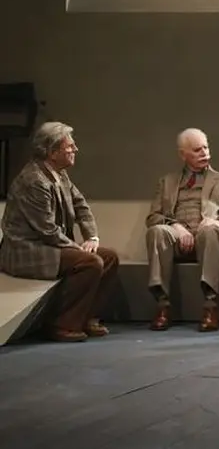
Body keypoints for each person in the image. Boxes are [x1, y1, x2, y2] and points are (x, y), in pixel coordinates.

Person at [0, 122, 119, 342]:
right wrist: (79, 249)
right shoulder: (34, 181)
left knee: (109, 257)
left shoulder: (59, 174)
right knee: (90, 262)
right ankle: (63, 324)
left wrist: (92, 238)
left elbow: (81, 206)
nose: (76, 150)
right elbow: (47, 230)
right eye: (70, 146)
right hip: (28, 251)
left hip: (51, 244)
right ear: (52, 152)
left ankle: (87, 317)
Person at [146, 128, 219, 332]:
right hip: (177, 237)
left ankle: (211, 306)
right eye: (197, 150)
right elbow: (153, 217)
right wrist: (175, 227)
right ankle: (162, 305)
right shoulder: (167, 182)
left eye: (206, 148)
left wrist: (218, 223)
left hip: (208, 236)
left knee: (209, 232)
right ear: (182, 154)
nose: (204, 153)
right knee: (157, 231)